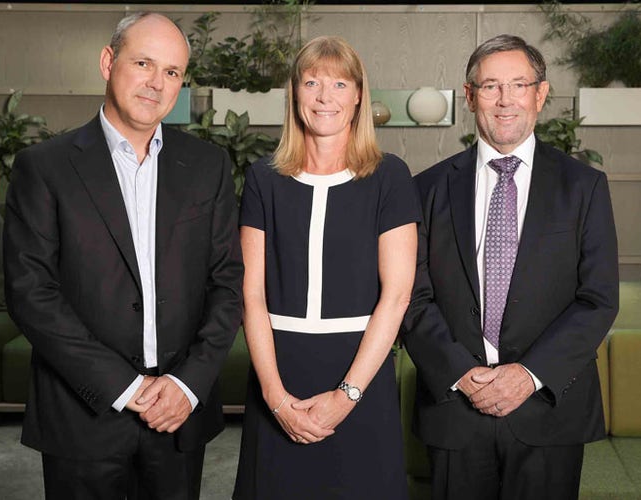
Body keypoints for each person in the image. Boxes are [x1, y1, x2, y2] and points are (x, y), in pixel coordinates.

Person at [3, 12, 243, 500]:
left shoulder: (208, 166)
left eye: (172, 71)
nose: (157, 83)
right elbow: (32, 292)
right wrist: (125, 387)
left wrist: (189, 385)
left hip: (179, 415)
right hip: (82, 416)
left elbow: (227, 282)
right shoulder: (44, 167)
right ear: (108, 62)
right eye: (143, 63)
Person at [401, 34, 619, 500]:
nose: (505, 100)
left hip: (549, 409)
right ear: (469, 96)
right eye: (490, 86)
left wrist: (528, 375)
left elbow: (598, 299)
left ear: (540, 94)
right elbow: (412, 297)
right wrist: (462, 374)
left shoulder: (584, 187)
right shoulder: (427, 189)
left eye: (519, 85)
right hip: (455, 407)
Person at [232, 35, 419, 500]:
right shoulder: (262, 178)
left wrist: (346, 395)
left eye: (339, 84)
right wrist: (275, 398)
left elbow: (397, 296)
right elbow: (251, 296)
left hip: (361, 375)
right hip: (279, 374)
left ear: (358, 96)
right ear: (295, 93)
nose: (324, 97)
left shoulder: (390, 176)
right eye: (311, 82)